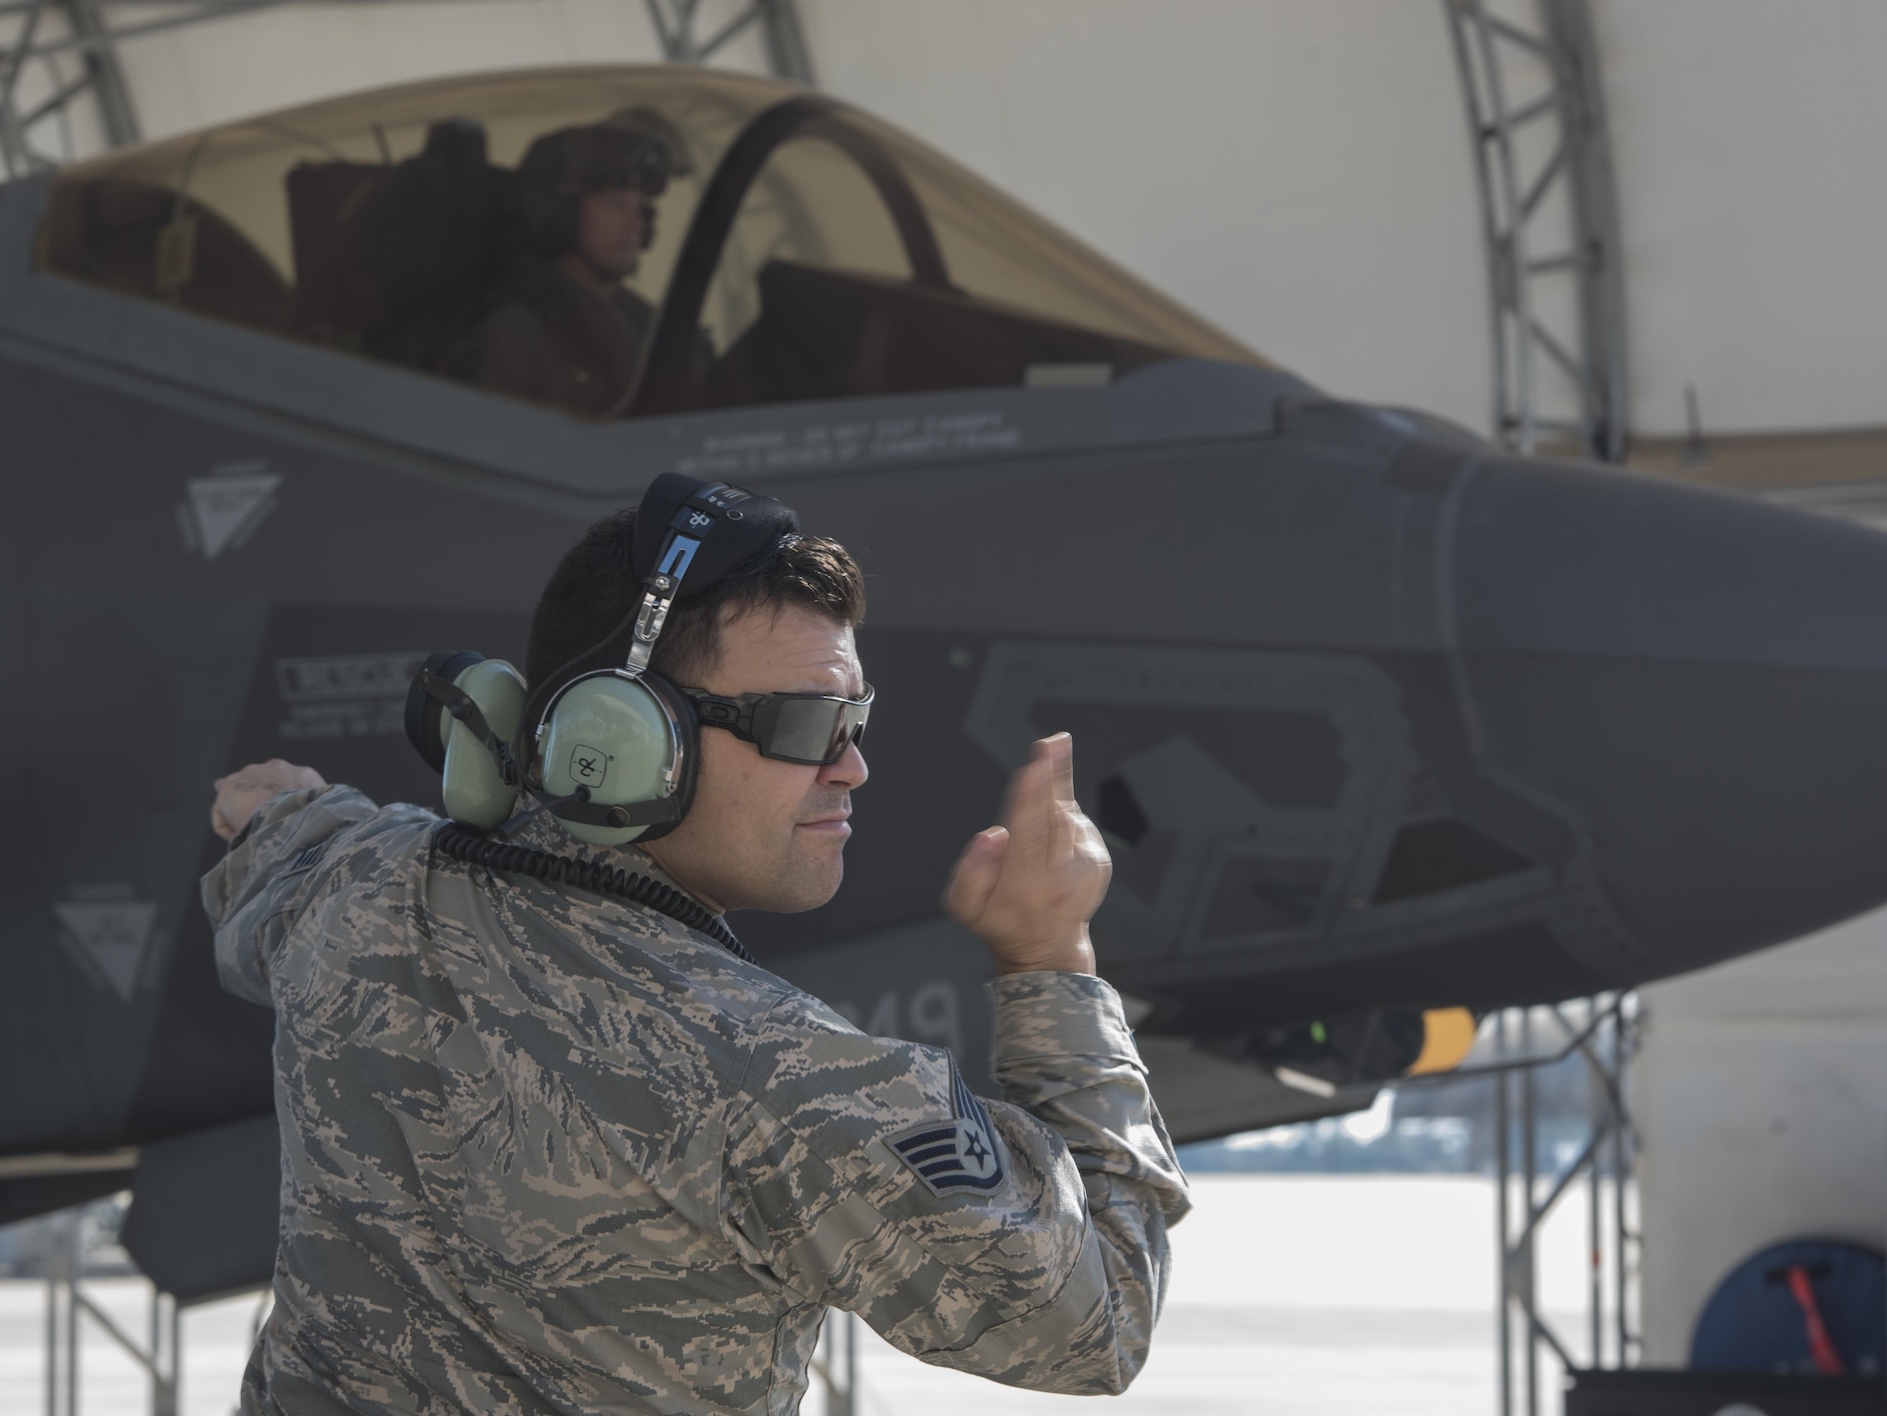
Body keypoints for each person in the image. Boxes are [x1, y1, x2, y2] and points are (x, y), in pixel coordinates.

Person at [203, 486, 1190, 1414]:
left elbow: (277, 828)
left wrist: (276, 804)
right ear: (620, 737)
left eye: (855, 719)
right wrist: (1052, 962)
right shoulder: (788, 1085)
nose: (853, 765)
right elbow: (1099, 1323)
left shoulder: (350, 884)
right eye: (807, 722)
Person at [460, 115, 672, 418]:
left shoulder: (648, 323)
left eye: (641, 208)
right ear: (563, 214)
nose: (634, 224)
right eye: (615, 204)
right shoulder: (518, 332)